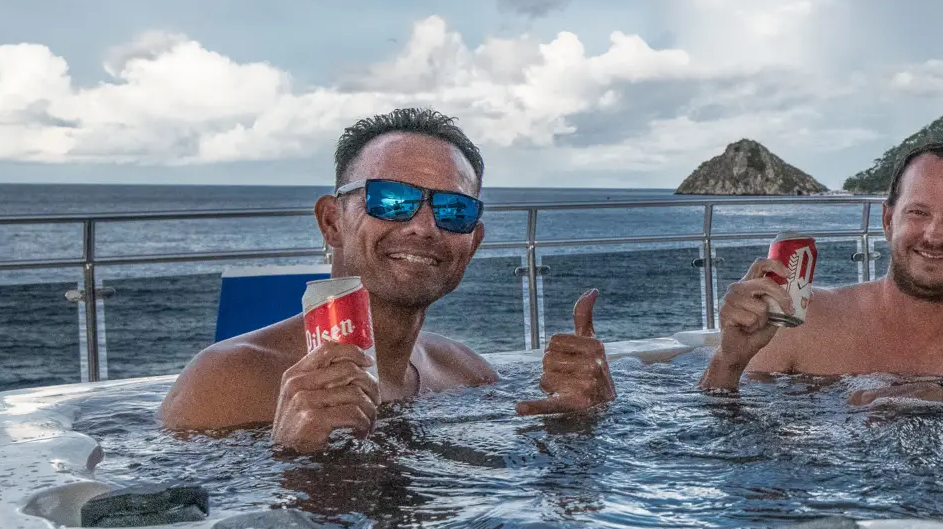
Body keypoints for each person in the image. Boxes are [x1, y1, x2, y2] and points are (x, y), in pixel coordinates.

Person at [159, 108, 614, 452]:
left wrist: (584, 421)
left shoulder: (467, 376)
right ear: (331, 221)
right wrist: (289, 454)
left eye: (454, 210)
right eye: (391, 200)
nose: (424, 226)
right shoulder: (228, 382)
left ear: (471, 243)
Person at [700, 142, 943, 401]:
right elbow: (721, 445)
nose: (933, 235)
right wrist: (729, 361)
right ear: (888, 222)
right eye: (918, 213)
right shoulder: (801, 323)